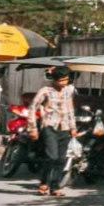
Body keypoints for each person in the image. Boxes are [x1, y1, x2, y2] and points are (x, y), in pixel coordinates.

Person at [28, 66, 80, 197]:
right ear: (55, 80)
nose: (64, 83)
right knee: (52, 156)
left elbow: (70, 110)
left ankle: (55, 187)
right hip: (49, 126)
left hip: (65, 128)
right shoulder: (45, 91)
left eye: (66, 80)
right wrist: (32, 128)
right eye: (61, 80)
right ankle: (44, 183)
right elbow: (32, 108)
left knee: (61, 159)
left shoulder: (69, 91)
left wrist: (73, 128)